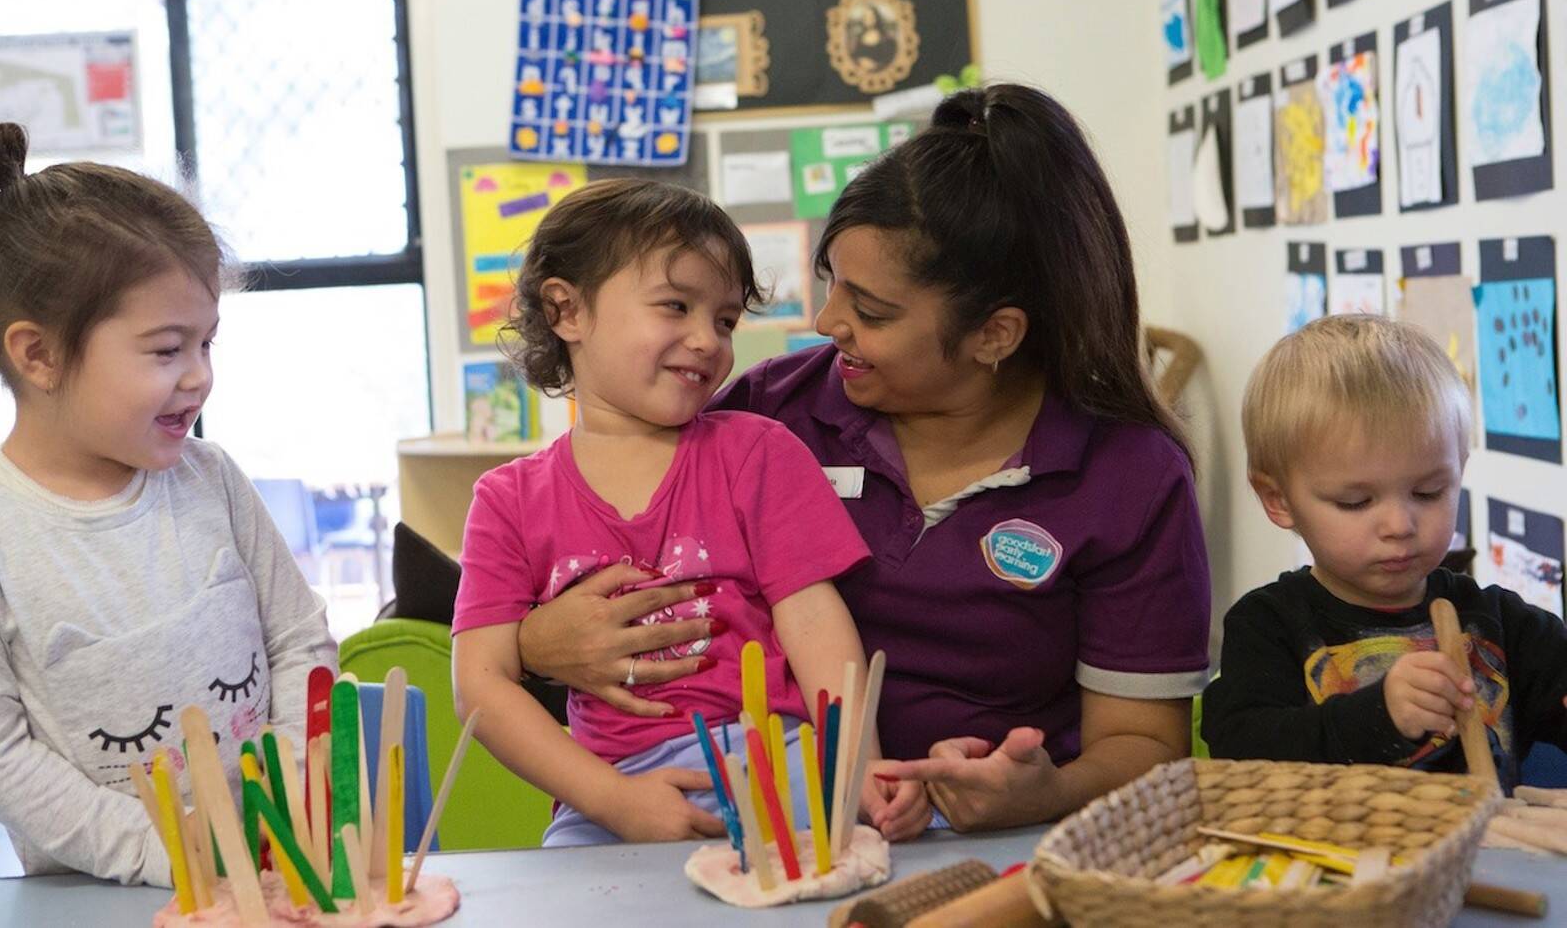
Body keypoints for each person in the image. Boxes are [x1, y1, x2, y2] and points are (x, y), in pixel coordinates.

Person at [514, 85, 1213, 832]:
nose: (827, 321)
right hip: (770, 819)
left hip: (1004, 844)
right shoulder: (764, 415)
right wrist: (537, 644)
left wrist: (1043, 793)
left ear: (996, 335)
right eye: (831, 282)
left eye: (871, 311)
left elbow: (1145, 745)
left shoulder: (1129, 476)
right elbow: (582, 558)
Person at [450, 179, 929, 846]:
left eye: (726, 320)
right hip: (614, 785)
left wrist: (859, 766)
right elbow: (480, 684)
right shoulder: (507, 500)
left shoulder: (758, 451)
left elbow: (817, 626)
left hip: (775, 755)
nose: (707, 340)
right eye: (676, 305)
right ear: (567, 310)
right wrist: (613, 801)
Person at [0, 124, 337, 885]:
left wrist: (296, 789)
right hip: (103, 896)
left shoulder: (213, 479)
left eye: (208, 344)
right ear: (36, 353)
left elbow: (300, 642)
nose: (200, 376)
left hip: (275, 876)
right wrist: (160, 849)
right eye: (168, 350)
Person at [1202, 315, 1567, 789]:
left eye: (1430, 492)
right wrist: (1379, 716)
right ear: (1279, 499)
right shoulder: (1268, 625)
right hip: (1338, 860)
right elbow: (1241, 755)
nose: (1400, 526)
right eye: (1356, 502)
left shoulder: (1504, 622)